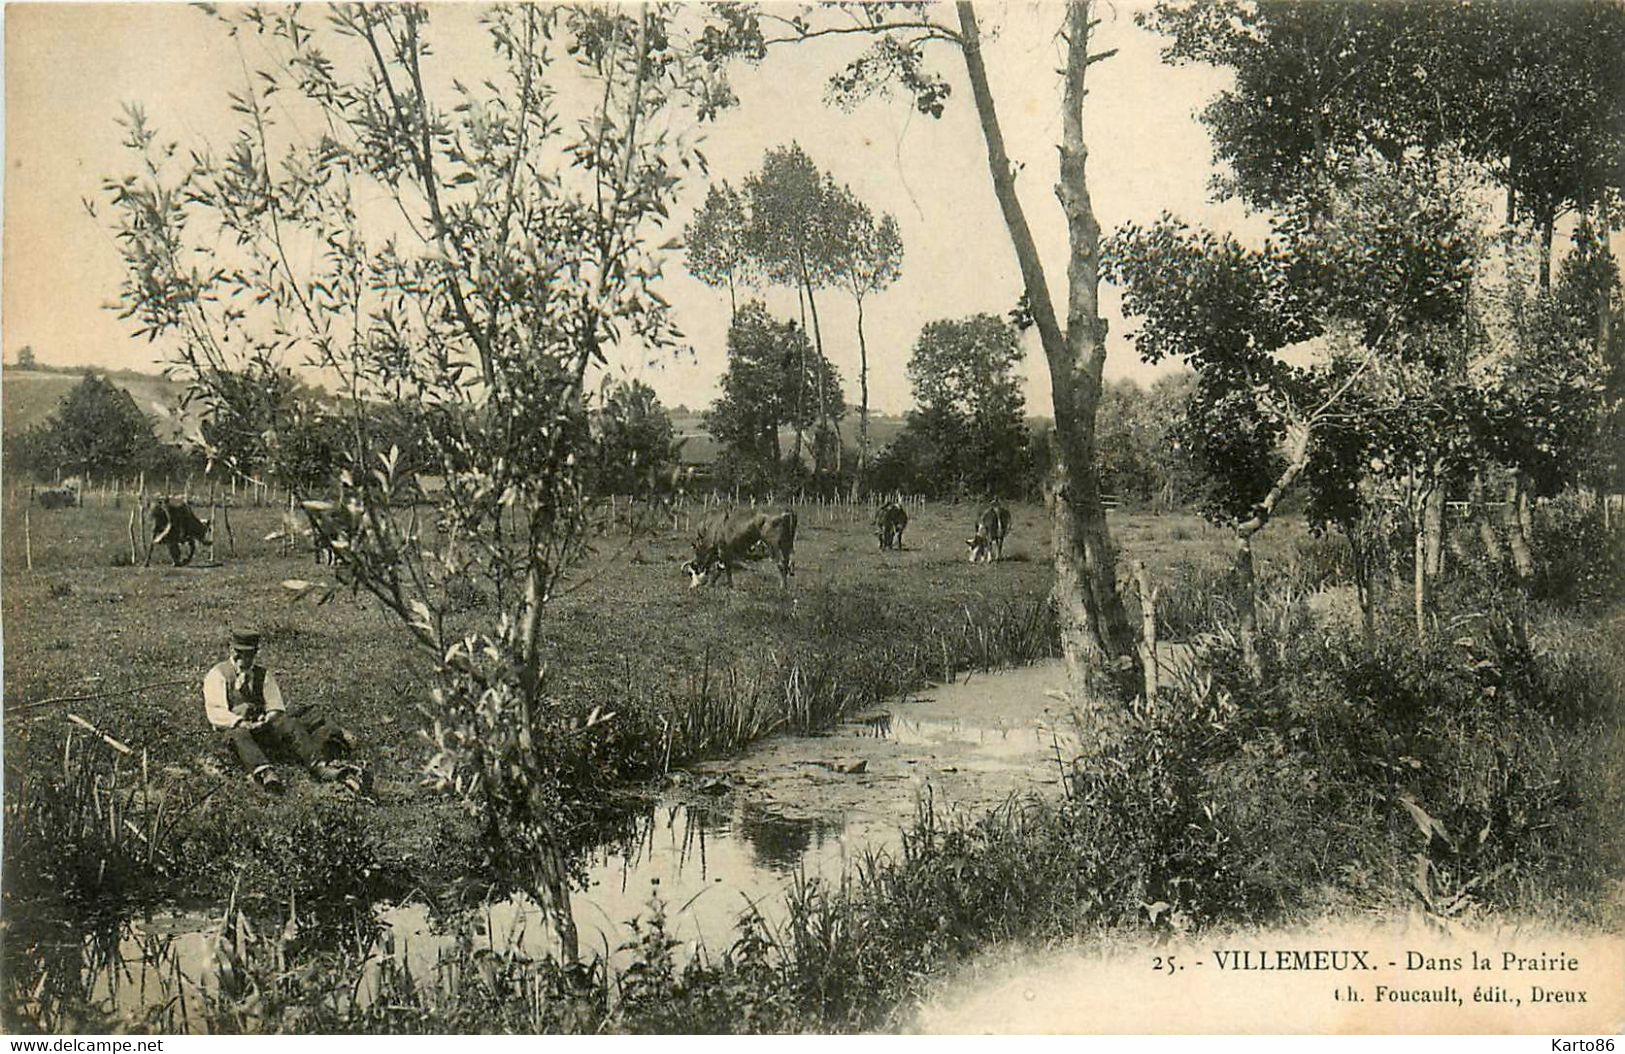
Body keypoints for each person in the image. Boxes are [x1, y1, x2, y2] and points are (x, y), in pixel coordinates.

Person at [204, 630, 357, 794]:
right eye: (240, 654)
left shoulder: (263, 675)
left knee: (289, 723)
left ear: (255, 653)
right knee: (239, 735)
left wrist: (267, 719)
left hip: (261, 727)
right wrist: (241, 722)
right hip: (234, 730)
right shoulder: (218, 674)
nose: (245, 659)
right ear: (232, 650)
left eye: (250, 654)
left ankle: (319, 766)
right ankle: (266, 774)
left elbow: (275, 706)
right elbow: (216, 711)